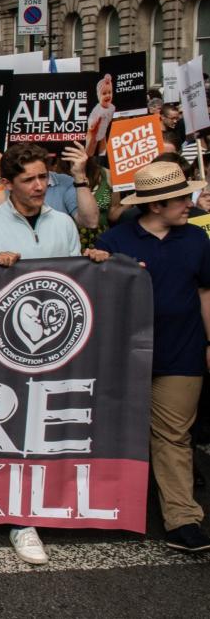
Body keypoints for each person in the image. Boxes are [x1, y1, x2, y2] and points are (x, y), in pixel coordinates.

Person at [0, 142, 109, 566]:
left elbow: (75, 280)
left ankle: (53, 502)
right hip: (6, 352)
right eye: (29, 179)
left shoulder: (63, 222)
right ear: (7, 184)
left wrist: (94, 261)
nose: (40, 185)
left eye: (44, 176)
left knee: (55, 428)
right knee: (15, 432)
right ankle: (20, 519)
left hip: (60, 346)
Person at [94, 161, 210, 552]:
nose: (188, 203)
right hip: (125, 358)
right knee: (115, 432)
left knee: (173, 437)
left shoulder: (197, 239)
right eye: (180, 199)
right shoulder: (115, 241)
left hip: (182, 354)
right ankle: (104, 506)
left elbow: (206, 294)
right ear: (156, 206)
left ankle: (182, 519)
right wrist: (101, 267)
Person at [85, 74, 115, 158]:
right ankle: (89, 157)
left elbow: (110, 119)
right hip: (94, 131)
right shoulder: (97, 109)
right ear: (99, 96)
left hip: (103, 129)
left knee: (103, 140)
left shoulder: (112, 107)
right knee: (92, 144)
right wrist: (93, 124)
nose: (108, 95)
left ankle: (102, 154)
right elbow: (91, 120)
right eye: (104, 93)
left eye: (110, 92)